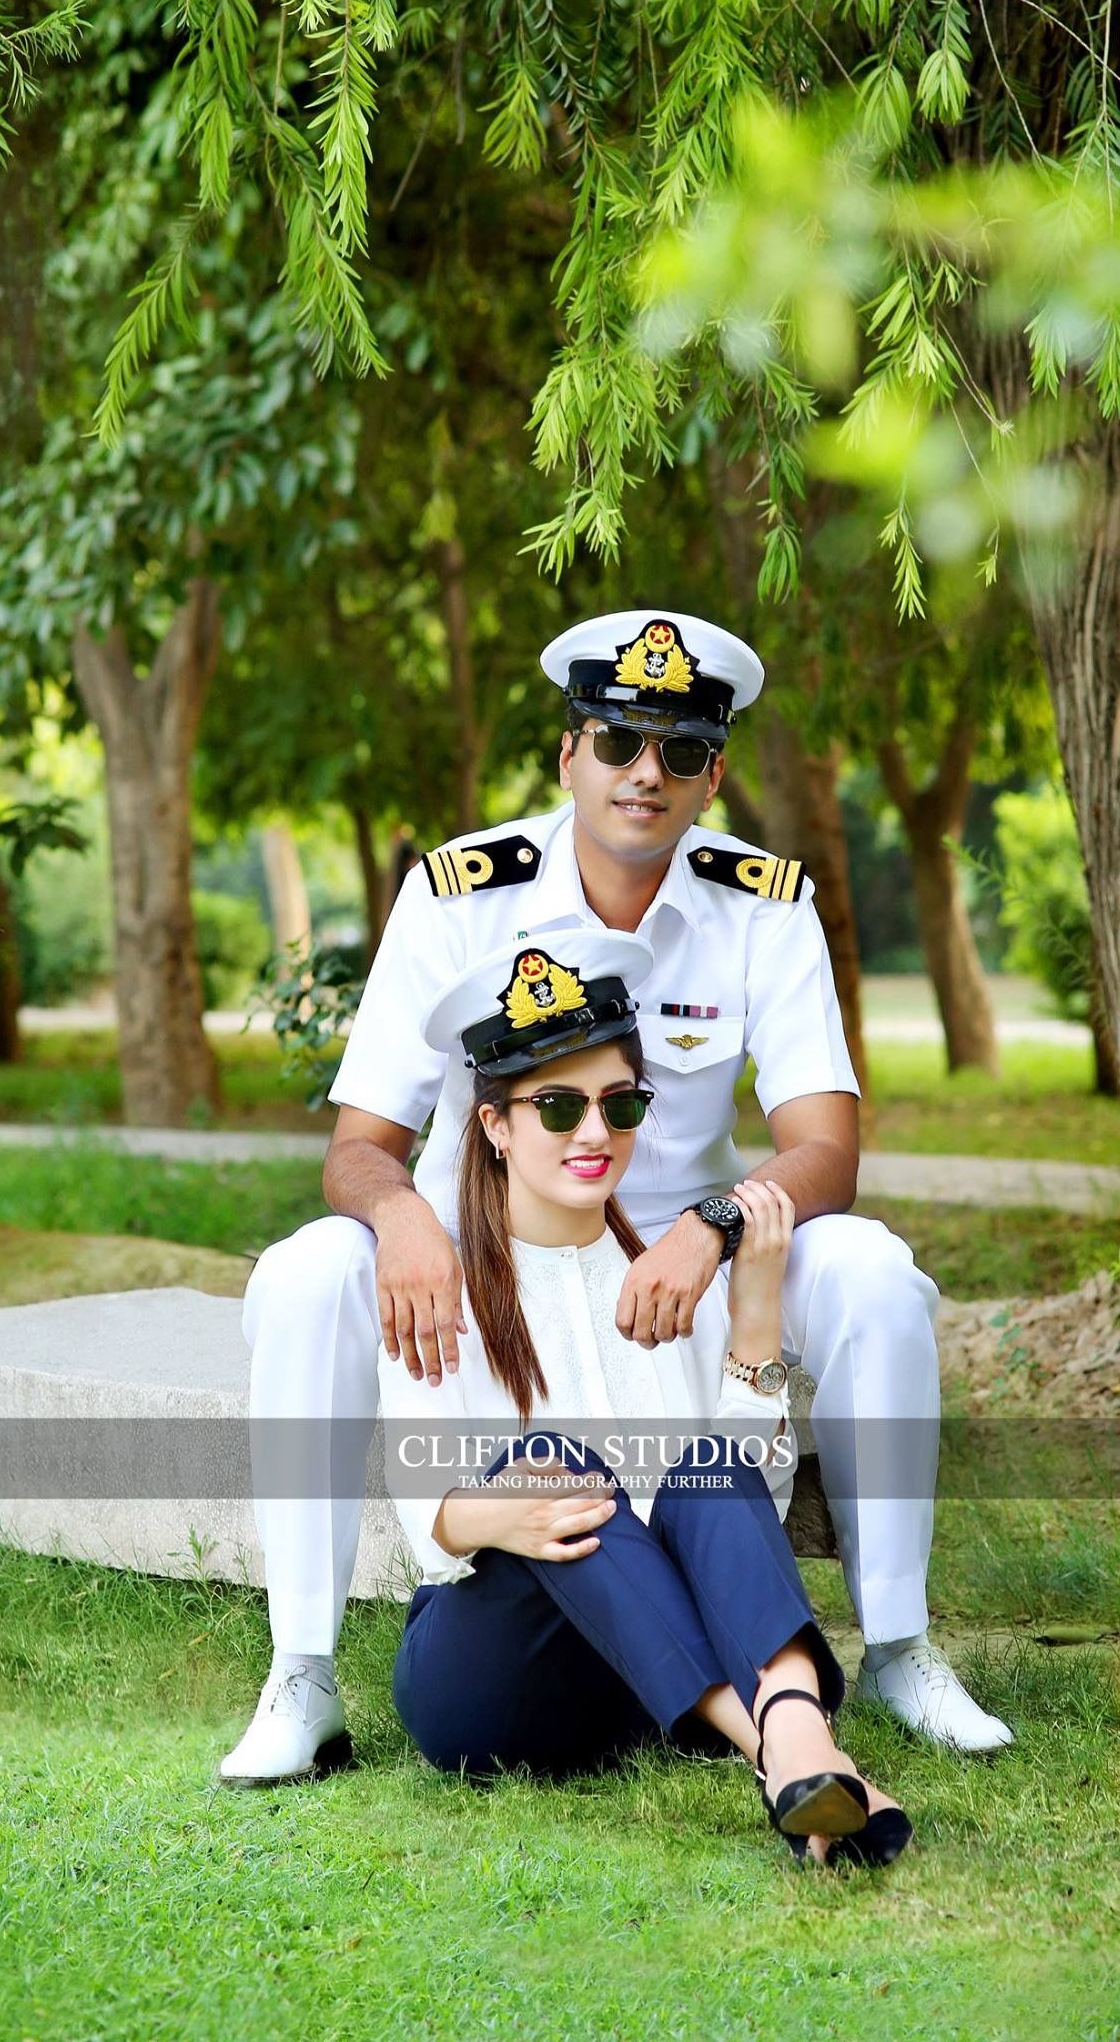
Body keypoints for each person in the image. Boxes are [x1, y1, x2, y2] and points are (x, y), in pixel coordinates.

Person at [222, 608, 1011, 1787]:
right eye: (618, 741)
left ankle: (898, 1642)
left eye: (680, 752)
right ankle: (302, 1670)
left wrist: (717, 1229)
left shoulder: (765, 901)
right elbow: (359, 1147)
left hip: (693, 1243)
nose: (647, 772)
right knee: (300, 1275)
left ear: (713, 776)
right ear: (568, 755)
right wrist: (402, 1220)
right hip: (489, 1240)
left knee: (873, 1274)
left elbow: (825, 1149)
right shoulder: (458, 894)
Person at [380, 928, 911, 1870]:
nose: (594, 1133)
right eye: (557, 1108)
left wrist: (751, 1317)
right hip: (490, 1678)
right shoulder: (439, 1287)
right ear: (495, 1125)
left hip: (637, 1690)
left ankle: (793, 1742)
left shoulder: (669, 1276)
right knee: (556, 1469)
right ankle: (783, 1744)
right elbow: (430, 1521)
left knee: (706, 1466)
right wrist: (507, 1507)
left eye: (619, 1104)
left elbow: (747, 1508)